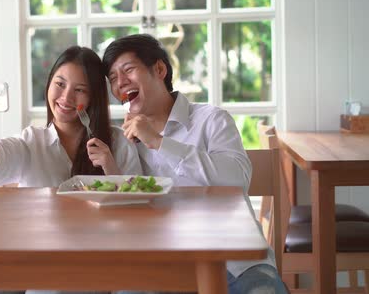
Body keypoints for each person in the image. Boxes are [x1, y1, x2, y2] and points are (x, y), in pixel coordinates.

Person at [102, 34, 288, 294]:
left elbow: (237, 180)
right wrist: (112, 167)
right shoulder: (124, 142)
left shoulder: (212, 120)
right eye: (112, 78)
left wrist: (159, 142)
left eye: (128, 70)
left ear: (159, 69)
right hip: (161, 265)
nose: (120, 83)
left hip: (234, 262)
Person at [0, 45, 141, 188]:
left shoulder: (120, 144)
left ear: (94, 98)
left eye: (80, 89)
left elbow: (135, 208)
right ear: (49, 84)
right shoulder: (32, 142)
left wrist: (110, 168)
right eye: (60, 84)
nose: (66, 97)